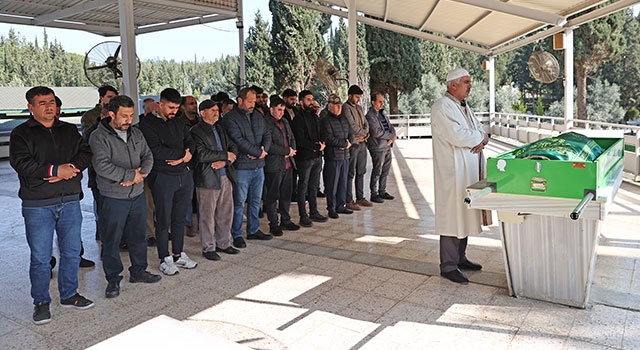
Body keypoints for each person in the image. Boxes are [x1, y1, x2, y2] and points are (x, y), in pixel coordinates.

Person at [10, 86, 94, 325]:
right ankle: (40, 302)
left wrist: (72, 169)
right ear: (31, 107)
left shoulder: (68, 129)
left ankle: (69, 294)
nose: (49, 106)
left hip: (69, 201)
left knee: (70, 253)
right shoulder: (21, 134)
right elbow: (22, 164)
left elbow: (85, 153)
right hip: (38, 204)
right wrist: (55, 170)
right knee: (40, 257)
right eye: (42, 103)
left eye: (51, 102)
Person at [89, 95, 162, 298]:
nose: (128, 120)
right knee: (111, 240)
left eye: (131, 115)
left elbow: (148, 156)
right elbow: (101, 166)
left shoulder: (136, 133)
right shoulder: (98, 136)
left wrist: (141, 175)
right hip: (113, 197)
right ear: (112, 114)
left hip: (137, 194)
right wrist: (131, 175)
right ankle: (113, 279)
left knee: (138, 236)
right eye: (124, 116)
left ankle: (139, 271)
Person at [431, 68, 489, 284]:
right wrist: (480, 137)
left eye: (470, 82)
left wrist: (482, 138)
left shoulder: (463, 106)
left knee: (463, 213)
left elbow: (479, 130)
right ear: (452, 85)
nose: (470, 85)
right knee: (451, 217)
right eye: (466, 82)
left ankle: (460, 257)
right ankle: (447, 265)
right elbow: (457, 136)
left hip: (467, 172)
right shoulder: (441, 107)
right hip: (452, 173)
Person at [139, 88, 198, 276]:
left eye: (176, 108)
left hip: (183, 176)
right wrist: (183, 154)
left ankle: (178, 254)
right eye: (171, 107)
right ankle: (164, 257)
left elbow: (191, 141)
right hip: (163, 177)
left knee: (179, 218)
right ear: (160, 104)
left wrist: (185, 154)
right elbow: (155, 151)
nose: (174, 111)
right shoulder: (147, 124)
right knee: (163, 219)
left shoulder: (178, 122)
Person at [220, 87, 273, 248]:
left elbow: (267, 134)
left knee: (256, 201)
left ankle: (253, 229)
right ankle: (236, 234)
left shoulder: (257, 115)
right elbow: (237, 140)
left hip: (259, 166)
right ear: (240, 100)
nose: (252, 104)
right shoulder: (230, 119)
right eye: (250, 101)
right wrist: (258, 152)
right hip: (242, 167)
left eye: (254, 101)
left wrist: (263, 151)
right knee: (239, 202)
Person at [190, 100, 240, 260]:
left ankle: (224, 243)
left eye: (217, 110)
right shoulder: (195, 131)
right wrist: (225, 155)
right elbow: (201, 154)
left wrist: (226, 161)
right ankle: (208, 247)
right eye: (212, 110)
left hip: (226, 175)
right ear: (202, 113)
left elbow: (233, 147)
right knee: (207, 215)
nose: (216, 112)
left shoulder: (220, 128)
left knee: (226, 212)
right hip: (207, 178)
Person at [291, 90, 328, 227]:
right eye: (308, 100)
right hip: (305, 158)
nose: (311, 102)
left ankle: (314, 212)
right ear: (301, 102)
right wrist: (314, 146)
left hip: (317, 156)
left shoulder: (315, 117)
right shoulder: (298, 119)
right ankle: (303, 215)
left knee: (314, 186)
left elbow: (321, 132)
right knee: (303, 187)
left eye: (312, 99)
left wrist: (321, 144)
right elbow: (300, 140)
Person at [263, 96, 299, 236]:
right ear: (271, 109)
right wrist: (285, 151)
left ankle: (286, 220)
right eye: (278, 110)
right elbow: (268, 145)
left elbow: (292, 138)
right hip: (274, 166)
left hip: (288, 164)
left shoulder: (284, 121)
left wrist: (291, 151)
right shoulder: (265, 124)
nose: (281, 112)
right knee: (272, 196)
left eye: (283, 110)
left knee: (286, 195)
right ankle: (274, 224)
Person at [319, 94, 353, 219]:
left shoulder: (344, 119)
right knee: (332, 184)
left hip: (345, 156)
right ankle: (331, 208)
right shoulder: (325, 120)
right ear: (330, 106)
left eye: (340, 106)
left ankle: (341, 206)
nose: (339, 108)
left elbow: (351, 134)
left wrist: (348, 144)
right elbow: (328, 138)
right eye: (337, 106)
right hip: (333, 157)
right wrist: (344, 144)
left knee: (343, 183)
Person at [342, 85, 372, 211]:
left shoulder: (359, 107)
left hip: (362, 143)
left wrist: (364, 134)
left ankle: (360, 197)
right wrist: (363, 134)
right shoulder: (345, 107)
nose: (358, 99)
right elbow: (352, 125)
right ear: (350, 96)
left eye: (359, 97)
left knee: (361, 171)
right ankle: (349, 200)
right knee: (350, 173)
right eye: (356, 97)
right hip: (353, 144)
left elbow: (366, 123)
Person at [365, 92, 397, 203]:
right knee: (377, 170)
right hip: (377, 147)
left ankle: (382, 191)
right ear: (373, 102)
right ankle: (374, 194)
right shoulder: (370, 116)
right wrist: (392, 136)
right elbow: (376, 132)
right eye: (379, 101)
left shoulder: (382, 114)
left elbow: (391, 127)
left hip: (387, 146)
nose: (382, 103)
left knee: (385, 170)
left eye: (382, 101)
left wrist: (392, 136)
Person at [180, 95, 200, 238]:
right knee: (187, 196)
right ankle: (188, 224)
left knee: (201, 196)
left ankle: (202, 222)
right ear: (183, 107)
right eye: (191, 103)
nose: (195, 105)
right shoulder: (180, 123)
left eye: (195, 103)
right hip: (187, 164)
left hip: (201, 163)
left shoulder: (201, 121)